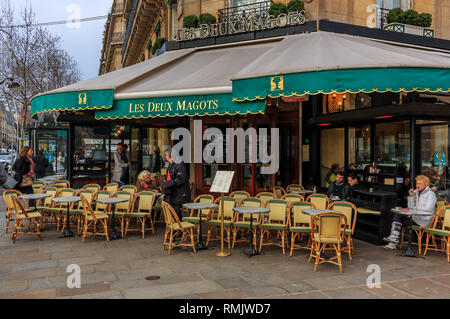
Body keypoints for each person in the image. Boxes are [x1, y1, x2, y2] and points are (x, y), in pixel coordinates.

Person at [383, 175, 437, 250]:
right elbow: (410, 207)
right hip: (415, 218)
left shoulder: (431, 194)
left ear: (426, 184)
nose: (418, 185)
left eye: (420, 184)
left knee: (398, 218)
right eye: (417, 183)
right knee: (398, 215)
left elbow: (428, 208)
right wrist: (411, 196)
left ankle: (393, 241)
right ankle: (393, 240)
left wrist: (414, 209)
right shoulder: (416, 192)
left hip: (423, 220)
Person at [161, 147, 190, 221]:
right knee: (172, 210)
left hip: (179, 193)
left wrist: (168, 184)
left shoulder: (179, 164)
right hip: (172, 192)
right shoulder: (171, 165)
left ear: (167, 156)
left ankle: (178, 229)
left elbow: (181, 179)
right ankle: (175, 228)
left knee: (176, 210)